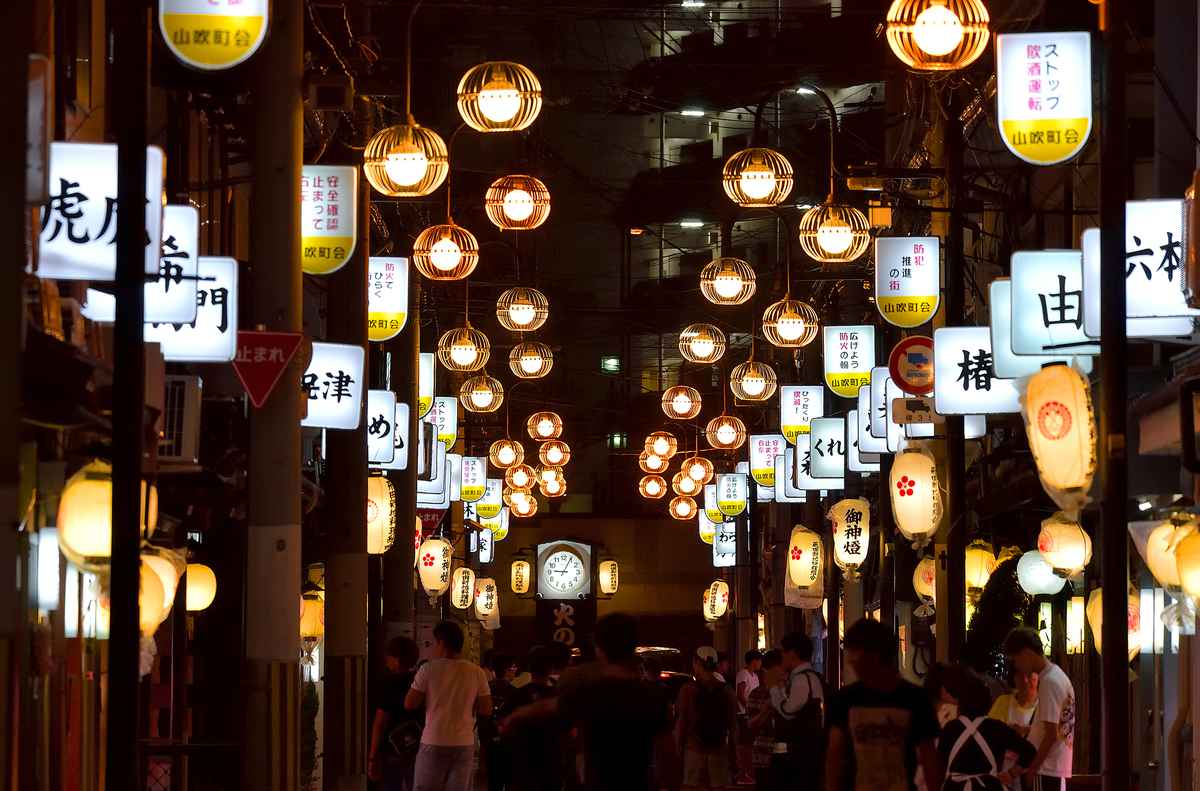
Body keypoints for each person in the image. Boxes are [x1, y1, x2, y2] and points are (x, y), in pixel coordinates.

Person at [503, 613, 673, 791]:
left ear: (598, 647)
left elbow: (551, 708)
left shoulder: (593, 692)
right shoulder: (653, 695)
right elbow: (667, 753)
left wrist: (515, 717)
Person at [825, 618, 944, 791]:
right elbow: (834, 756)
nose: (851, 661)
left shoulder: (916, 699)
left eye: (855, 653)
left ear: (875, 654)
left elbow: (929, 759)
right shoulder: (843, 699)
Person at [405, 621, 493, 791]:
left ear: (442, 643)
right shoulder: (476, 672)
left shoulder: (428, 670)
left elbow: (409, 703)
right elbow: (486, 709)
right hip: (464, 743)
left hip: (434, 740)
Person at [938, 666, 1036, 791]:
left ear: (961, 703)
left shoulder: (950, 728)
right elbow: (1030, 751)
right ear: (987, 702)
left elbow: (940, 763)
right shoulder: (997, 728)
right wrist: (1011, 773)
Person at [1002, 629, 1075, 791]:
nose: (1017, 666)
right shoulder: (1057, 676)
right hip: (1052, 767)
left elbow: (1051, 734)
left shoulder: (1049, 682)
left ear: (1026, 653)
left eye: (1016, 660)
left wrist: (1033, 768)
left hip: (1045, 768)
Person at [676, 646, 738, 790]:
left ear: (697, 663)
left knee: (692, 787)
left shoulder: (688, 690)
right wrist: (734, 755)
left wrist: (678, 749)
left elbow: (682, 722)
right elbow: (733, 726)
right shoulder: (727, 691)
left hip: (694, 750)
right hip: (719, 749)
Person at [771, 632, 827, 789]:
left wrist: (774, 690)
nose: (781, 656)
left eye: (783, 651)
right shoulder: (807, 677)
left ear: (793, 653)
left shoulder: (802, 679)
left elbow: (788, 711)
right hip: (805, 753)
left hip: (801, 755)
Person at [505, 646, 564, 791]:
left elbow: (505, 725)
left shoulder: (518, 694)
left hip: (523, 761)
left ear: (530, 668)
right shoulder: (560, 695)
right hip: (553, 759)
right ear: (551, 668)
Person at [369, 636, 422, 791]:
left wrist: (373, 757)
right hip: (417, 746)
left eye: (389, 656)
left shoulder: (388, 683)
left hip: (393, 747)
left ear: (397, 659)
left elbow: (380, 723)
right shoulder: (419, 680)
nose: (386, 660)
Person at [746, 649, 785, 791]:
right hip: (763, 755)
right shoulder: (757, 693)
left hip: (786, 756)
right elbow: (750, 724)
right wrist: (765, 711)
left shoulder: (790, 691)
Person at [735, 649, 763, 784]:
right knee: (744, 745)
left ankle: (748, 772)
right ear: (754, 661)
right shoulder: (743, 674)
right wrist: (749, 708)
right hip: (744, 714)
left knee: (750, 745)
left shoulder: (755, 676)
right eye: (759, 661)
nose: (760, 664)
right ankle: (742, 773)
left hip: (753, 715)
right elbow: (740, 694)